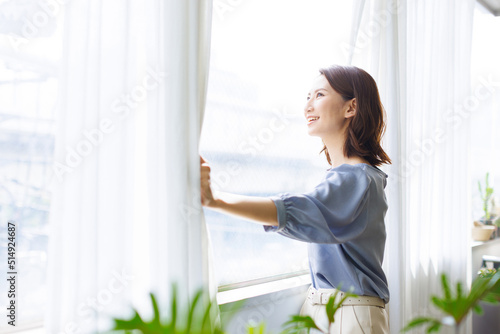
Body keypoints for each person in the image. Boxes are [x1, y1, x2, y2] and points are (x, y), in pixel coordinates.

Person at [200, 64, 391, 333]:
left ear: (351, 108)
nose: (308, 107)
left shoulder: (356, 178)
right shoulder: (351, 177)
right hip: (328, 309)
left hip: (349, 315)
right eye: (307, 97)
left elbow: (297, 211)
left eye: (320, 95)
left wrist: (216, 200)